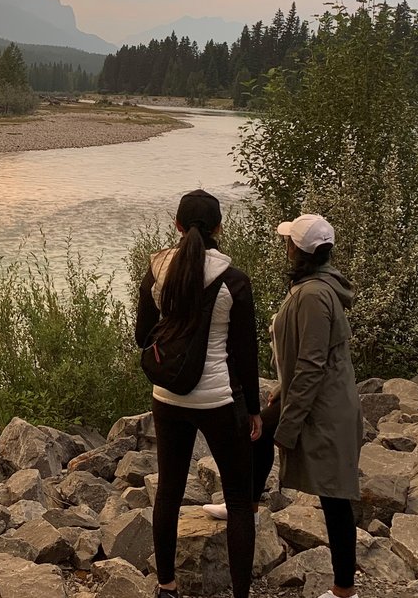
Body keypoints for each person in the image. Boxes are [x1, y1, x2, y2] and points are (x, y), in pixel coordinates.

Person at [214, 213, 362, 598]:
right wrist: (282, 390)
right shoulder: (315, 284)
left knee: (335, 496)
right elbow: (306, 357)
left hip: (326, 408)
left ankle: (345, 590)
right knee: (256, 432)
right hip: (315, 397)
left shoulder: (313, 294)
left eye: (288, 242)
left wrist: (290, 427)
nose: (285, 246)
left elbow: (313, 364)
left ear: (297, 249)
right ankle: (245, 508)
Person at [135, 189, 263, 598]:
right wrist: (255, 411)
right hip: (218, 400)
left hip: (167, 396)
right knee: (240, 502)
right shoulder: (233, 280)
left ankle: (167, 587)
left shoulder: (156, 271)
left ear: (175, 225)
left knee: (169, 490)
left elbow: (142, 337)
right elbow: (244, 354)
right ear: (220, 228)